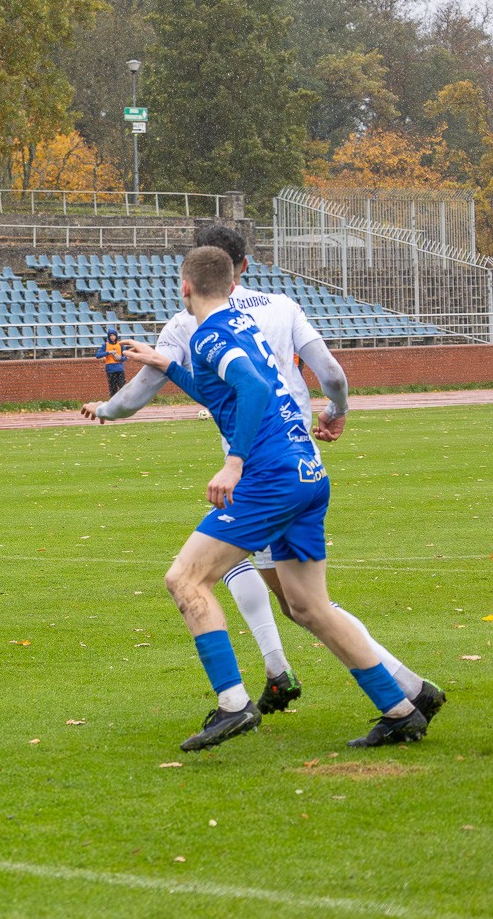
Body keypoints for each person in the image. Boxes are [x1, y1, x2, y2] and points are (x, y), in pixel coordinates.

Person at [80, 225, 442, 723]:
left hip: (264, 472)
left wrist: (234, 461)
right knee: (310, 608)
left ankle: (234, 703)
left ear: (184, 286)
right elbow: (243, 388)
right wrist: (168, 365)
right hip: (305, 467)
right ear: (236, 278)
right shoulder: (253, 320)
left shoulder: (201, 330)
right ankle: (402, 706)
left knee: (186, 578)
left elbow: (249, 390)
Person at [95, 328, 126, 396]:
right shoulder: (105, 345)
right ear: (108, 336)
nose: (112, 337)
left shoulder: (120, 345)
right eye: (111, 335)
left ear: (116, 336)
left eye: (114, 335)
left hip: (119, 369)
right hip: (110, 370)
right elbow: (97, 355)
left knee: (123, 387)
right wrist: (108, 352)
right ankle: (113, 404)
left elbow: (125, 357)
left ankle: (125, 403)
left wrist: (120, 358)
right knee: (112, 389)